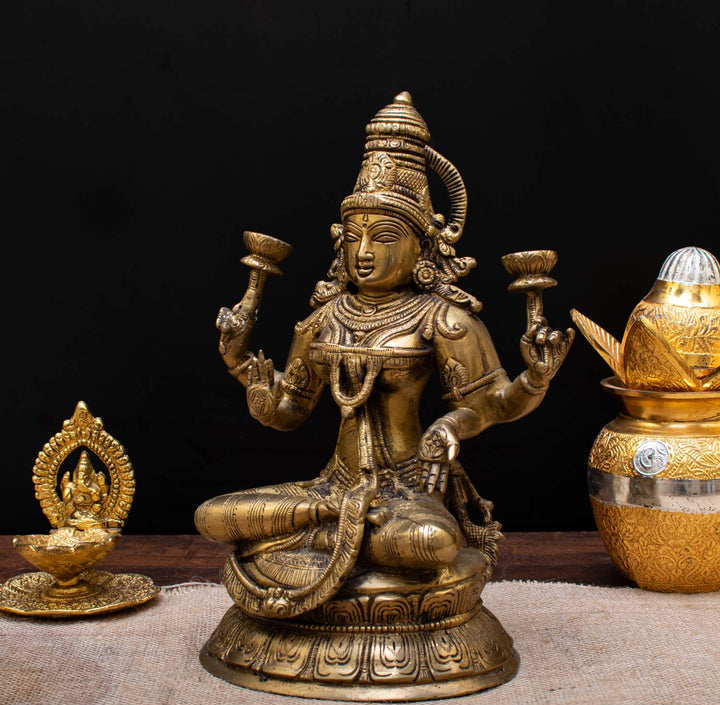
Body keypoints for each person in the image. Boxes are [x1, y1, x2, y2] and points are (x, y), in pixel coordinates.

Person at [194, 92, 573, 619]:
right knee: (212, 515)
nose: (365, 252)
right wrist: (246, 374)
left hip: (406, 491)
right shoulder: (324, 318)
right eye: (354, 238)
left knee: (432, 542)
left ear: (421, 247)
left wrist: (531, 380)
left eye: (384, 236)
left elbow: (492, 405)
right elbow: (290, 411)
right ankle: (337, 524)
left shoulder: (442, 319)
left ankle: (319, 540)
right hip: (333, 485)